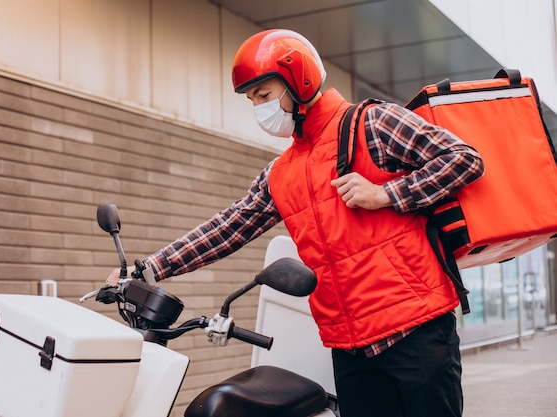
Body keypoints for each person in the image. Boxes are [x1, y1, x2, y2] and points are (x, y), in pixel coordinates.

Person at [107, 29, 484, 417]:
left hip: (414, 329)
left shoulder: (371, 124)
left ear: (299, 82)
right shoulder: (281, 173)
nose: (259, 109)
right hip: (350, 347)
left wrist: (387, 194)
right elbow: (230, 225)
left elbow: (464, 158)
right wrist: (150, 267)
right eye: (252, 100)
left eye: (265, 96)